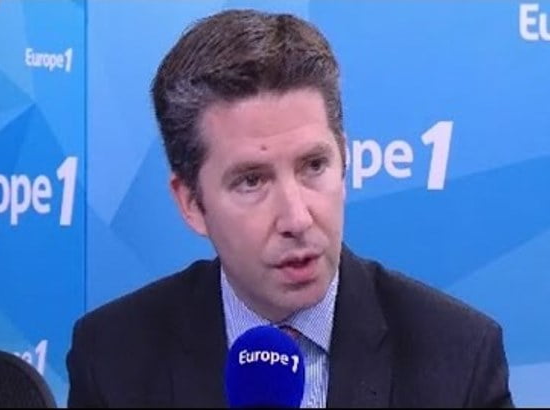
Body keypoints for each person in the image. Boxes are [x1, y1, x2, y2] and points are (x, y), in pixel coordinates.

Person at [66, 9, 514, 408]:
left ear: (344, 160)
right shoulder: (112, 360)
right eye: (252, 181)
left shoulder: (458, 358)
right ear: (191, 203)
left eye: (314, 166)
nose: (297, 219)